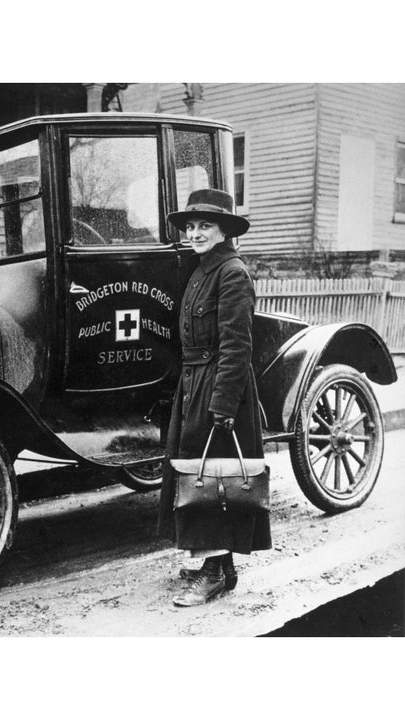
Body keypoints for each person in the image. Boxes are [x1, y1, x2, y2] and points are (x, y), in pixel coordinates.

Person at [159, 188, 271, 607]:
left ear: (224, 229)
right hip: (195, 384)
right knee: (196, 475)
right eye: (190, 226)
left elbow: (237, 346)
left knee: (213, 479)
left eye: (204, 225)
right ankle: (220, 567)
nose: (195, 232)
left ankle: (211, 573)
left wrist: (222, 405)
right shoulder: (202, 270)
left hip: (222, 390)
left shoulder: (232, 273)